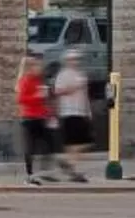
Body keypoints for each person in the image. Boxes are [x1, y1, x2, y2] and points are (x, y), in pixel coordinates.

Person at [51, 48, 96, 181]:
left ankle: (68, 164)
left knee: (84, 142)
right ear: (67, 61)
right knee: (73, 141)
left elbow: (85, 94)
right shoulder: (63, 75)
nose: (75, 61)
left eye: (77, 59)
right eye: (72, 59)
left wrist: (88, 111)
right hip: (68, 111)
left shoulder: (81, 74)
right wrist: (73, 88)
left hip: (80, 111)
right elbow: (58, 91)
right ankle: (70, 166)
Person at [16, 52, 55, 183]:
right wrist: (37, 96)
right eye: (38, 66)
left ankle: (44, 172)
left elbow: (43, 100)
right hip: (28, 118)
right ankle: (29, 175)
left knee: (48, 145)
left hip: (40, 117)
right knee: (30, 148)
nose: (40, 68)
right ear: (31, 67)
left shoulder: (39, 80)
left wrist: (48, 112)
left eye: (41, 66)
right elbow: (21, 99)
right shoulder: (25, 80)